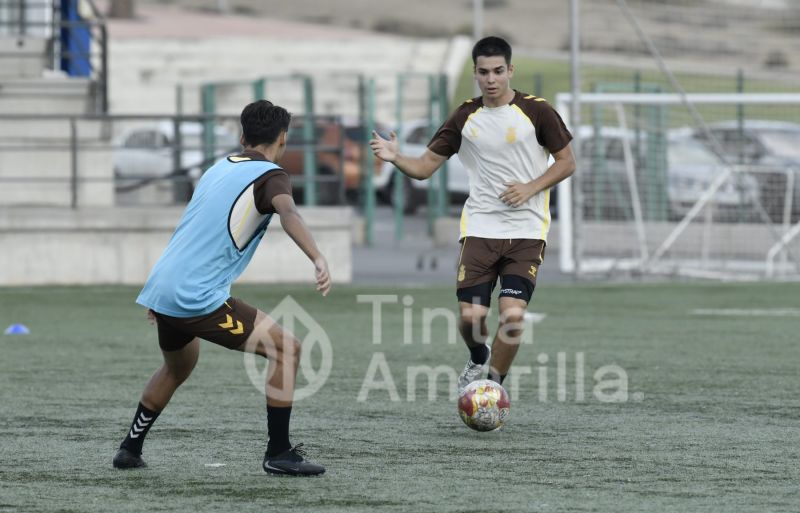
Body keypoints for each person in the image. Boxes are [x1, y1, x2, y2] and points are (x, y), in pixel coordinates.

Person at [113, 100, 331, 476]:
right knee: (288, 349)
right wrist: (317, 256)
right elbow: (289, 212)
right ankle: (278, 452)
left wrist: (162, 292)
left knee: (179, 366)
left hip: (166, 286)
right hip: (195, 297)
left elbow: (191, 228)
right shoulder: (271, 175)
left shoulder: (218, 168)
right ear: (283, 138)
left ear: (243, 136)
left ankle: (129, 449)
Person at [370, 36, 575, 393]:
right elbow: (423, 168)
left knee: (512, 317)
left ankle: (493, 388)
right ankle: (478, 354)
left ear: (510, 70)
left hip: (527, 231)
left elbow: (567, 162)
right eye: (484, 72)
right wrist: (395, 157)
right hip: (480, 228)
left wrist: (530, 187)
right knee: (471, 318)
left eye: (498, 71)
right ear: (475, 74)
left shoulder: (537, 111)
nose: (491, 78)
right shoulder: (465, 116)